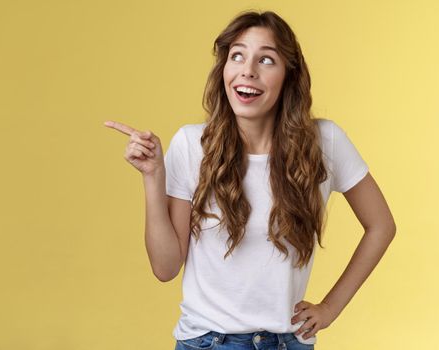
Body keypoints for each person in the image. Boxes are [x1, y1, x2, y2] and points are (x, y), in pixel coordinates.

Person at [104, 10, 396, 350]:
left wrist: (330, 307)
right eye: (237, 56)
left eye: (266, 60)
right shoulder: (190, 145)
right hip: (209, 342)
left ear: (289, 75)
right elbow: (166, 267)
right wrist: (153, 177)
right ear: (224, 69)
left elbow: (381, 225)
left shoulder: (324, 142)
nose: (248, 70)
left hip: (289, 342)